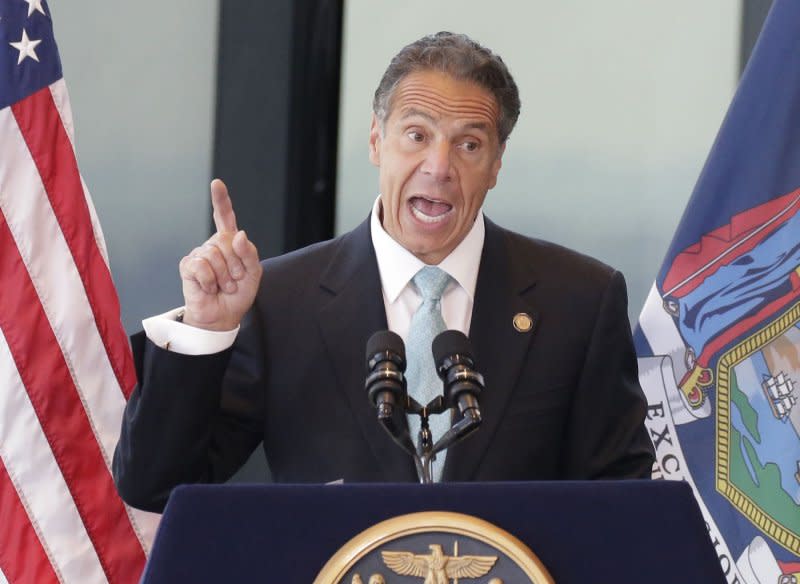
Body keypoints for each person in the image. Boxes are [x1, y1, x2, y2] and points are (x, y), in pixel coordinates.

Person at [113, 32, 655, 513]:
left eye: (468, 144)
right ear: (376, 141)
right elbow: (156, 485)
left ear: (496, 163)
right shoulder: (281, 301)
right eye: (417, 135)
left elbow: (623, 507)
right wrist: (208, 329)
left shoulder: (578, 301)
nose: (439, 167)